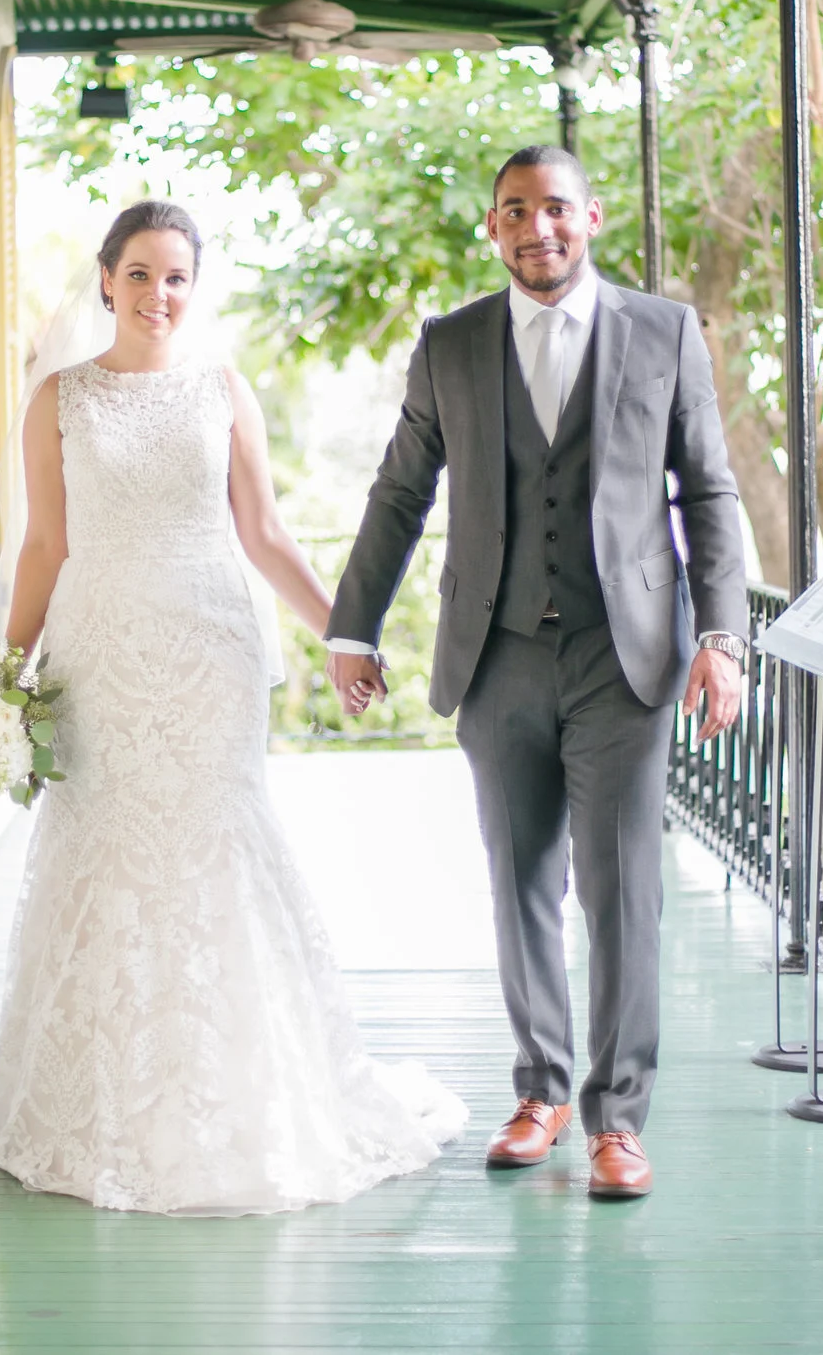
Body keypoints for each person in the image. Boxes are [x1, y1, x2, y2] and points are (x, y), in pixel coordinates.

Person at [0, 199, 465, 1216]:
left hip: (210, 652)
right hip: (100, 655)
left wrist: (346, 633)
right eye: (141, 273)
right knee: (104, 844)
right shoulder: (58, 400)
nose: (159, 295)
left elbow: (266, 533)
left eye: (177, 278)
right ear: (105, 279)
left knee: (214, 844)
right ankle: (101, 1097)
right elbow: (43, 547)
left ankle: (245, 1091)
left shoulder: (222, 390)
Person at [326, 146, 749, 1201]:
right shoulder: (451, 343)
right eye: (515, 211)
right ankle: (541, 1089)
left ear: (589, 216)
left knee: (621, 890)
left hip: (625, 652)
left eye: (554, 208)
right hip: (498, 651)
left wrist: (723, 635)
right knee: (518, 881)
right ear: (493, 227)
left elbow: (708, 490)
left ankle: (617, 1117)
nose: (537, 228)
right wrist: (351, 628)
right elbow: (398, 492)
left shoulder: (663, 332)